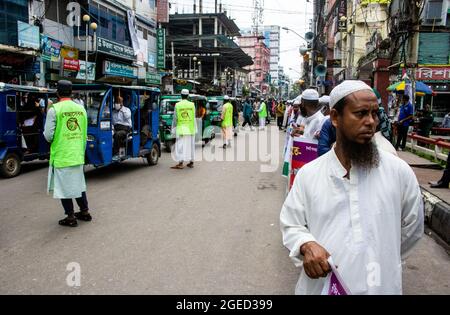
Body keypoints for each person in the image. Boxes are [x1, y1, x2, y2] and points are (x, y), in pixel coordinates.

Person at [280, 80, 423, 295]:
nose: (371, 122)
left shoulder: (398, 171)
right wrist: (306, 244)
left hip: (381, 287)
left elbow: (412, 229)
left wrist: (380, 253)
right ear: (335, 118)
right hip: (322, 287)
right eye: (361, 113)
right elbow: (291, 224)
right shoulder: (310, 175)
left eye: (374, 114)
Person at [44, 80, 91, 227]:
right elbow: (84, 132)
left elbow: (48, 135)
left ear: (57, 93)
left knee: (64, 188)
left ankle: (70, 217)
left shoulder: (54, 110)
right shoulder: (81, 109)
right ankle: (85, 212)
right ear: (71, 93)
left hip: (62, 155)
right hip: (77, 153)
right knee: (79, 185)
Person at [171, 89, 196, 169]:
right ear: (188, 96)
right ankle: (191, 162)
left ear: (181, 95)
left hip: (181, 129)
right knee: (191, 146)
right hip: (190, 128)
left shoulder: (177, 105)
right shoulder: (192, 104)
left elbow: (175, 118)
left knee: (180, 146)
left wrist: (173, 129)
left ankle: (181, 163)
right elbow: (193, 117)